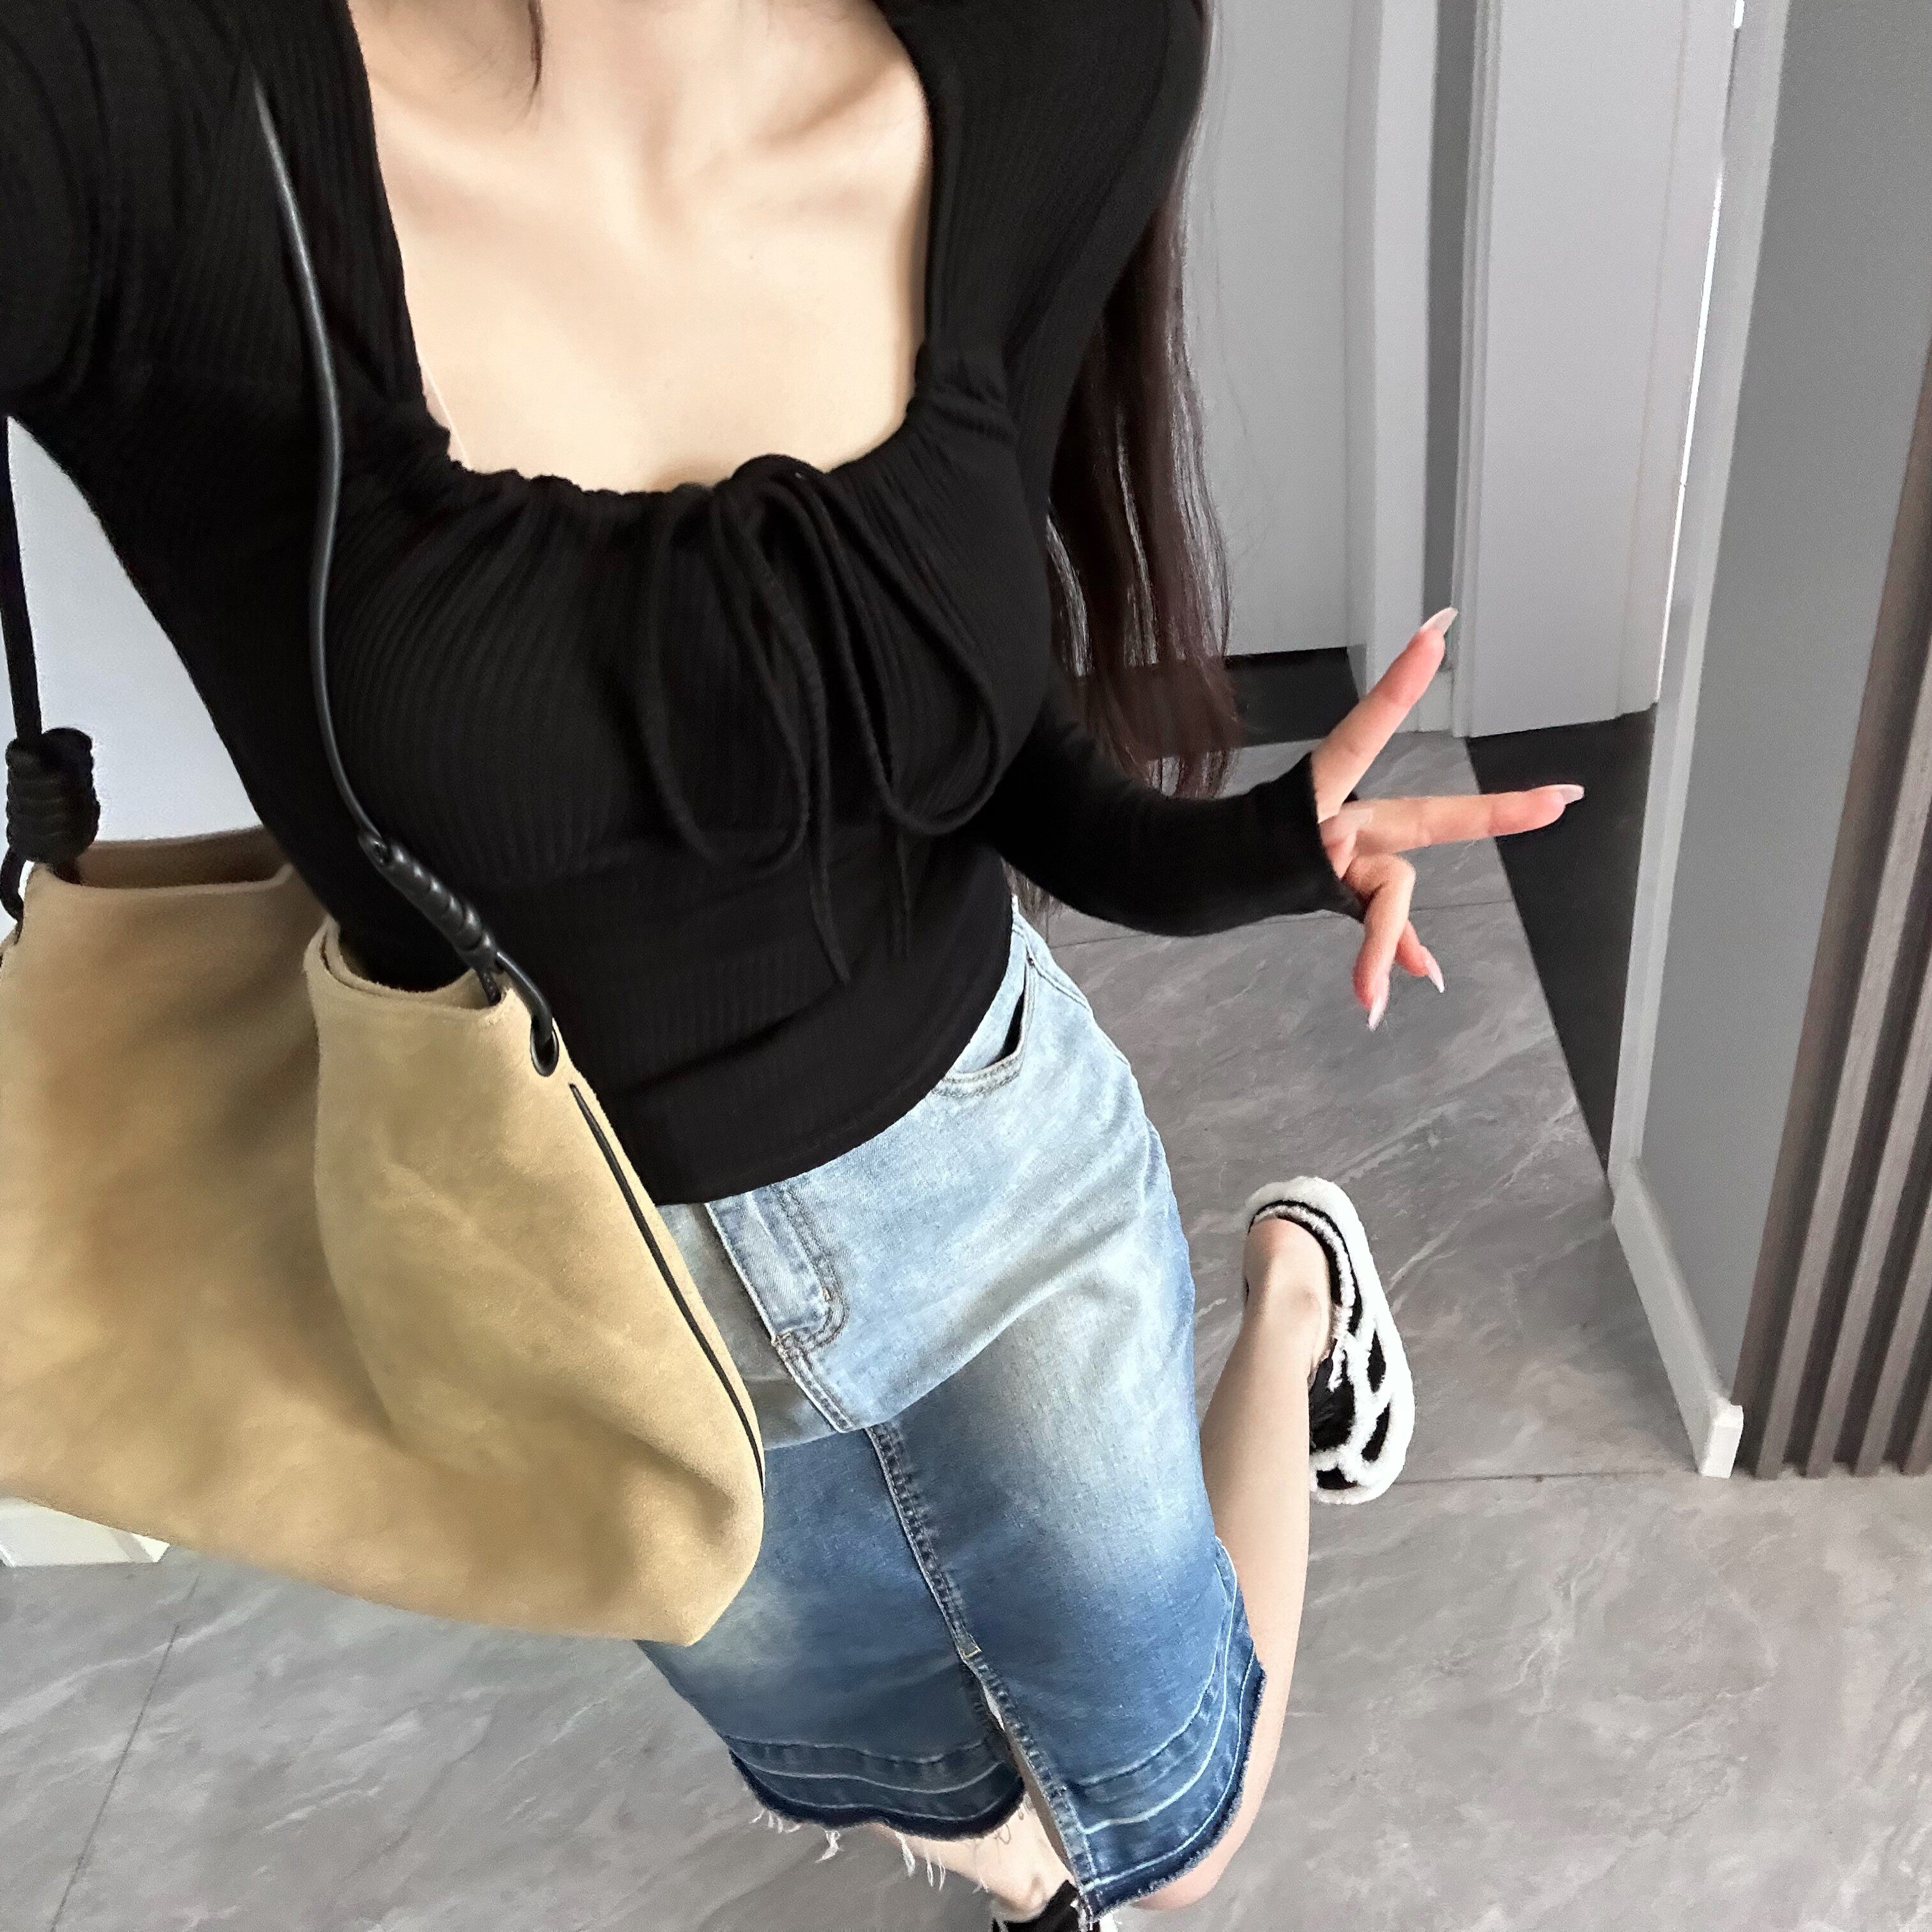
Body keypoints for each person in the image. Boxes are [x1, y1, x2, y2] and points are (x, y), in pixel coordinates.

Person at [0, 0, 1579, 1922]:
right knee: (925, 1798)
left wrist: (1254, 853)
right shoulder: (136, 128)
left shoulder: (1058, 57)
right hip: (574, 1321)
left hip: (1002, 1212)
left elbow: (981, 736)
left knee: (1177, 1837)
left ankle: (1296, 1285)